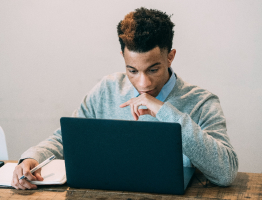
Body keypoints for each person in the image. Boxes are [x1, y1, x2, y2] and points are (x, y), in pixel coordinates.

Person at [12, 7, 238, 190]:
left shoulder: (202, 102)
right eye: (132, 71)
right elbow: (66, 139)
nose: (143, 84)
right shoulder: (107, 89)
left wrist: (164, 111)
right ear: (123, 58)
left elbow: (225, 173)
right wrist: (32, 158)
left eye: (153, 69)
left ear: (170, 57)